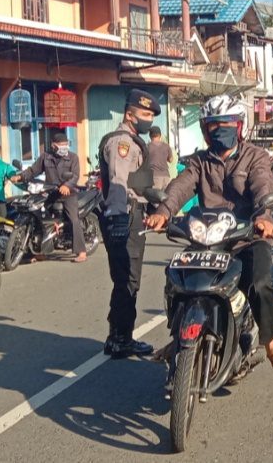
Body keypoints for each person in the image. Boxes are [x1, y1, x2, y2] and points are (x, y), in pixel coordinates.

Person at [145, 94, 273, 370]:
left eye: (226, 123)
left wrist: (263, 217)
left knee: (260, 282)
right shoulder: (199, 161)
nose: (219, 129)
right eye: (213, 125)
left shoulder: (255, 156)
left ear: (239, 126)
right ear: (205, 129)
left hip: (246, 236)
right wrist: (163, 212)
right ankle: (178, 337)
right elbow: (181, 186)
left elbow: (262, 185)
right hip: (207, 239)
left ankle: (270, 340)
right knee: (177, 277)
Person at [98, 88, 159, 359]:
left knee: (127, 278)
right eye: (144, 114)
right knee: (127, 280)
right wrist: (119, 218)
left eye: (151, 115)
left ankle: (119, 336)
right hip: (125, 215)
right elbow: (119, 182)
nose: (148, 120)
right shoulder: (122, 142)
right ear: (129, 115)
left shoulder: (134, 141)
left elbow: (139, 183)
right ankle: (121, 339)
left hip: (133, 213)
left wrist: (156, 207)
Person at [11, 133, 87, 262]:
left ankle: (81, 251)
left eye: (66, 144)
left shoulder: (73, 157)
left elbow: (75, 175)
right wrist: (20, 177)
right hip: (50, 192)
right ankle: (41, 251)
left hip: (68, 193)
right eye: (61, 145)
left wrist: (67, 185)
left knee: (74, 219)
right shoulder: (45, 157)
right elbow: (33, 171)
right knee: (40, 217)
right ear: (53, 145)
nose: (64, 147)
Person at [147, 126, 174, 191]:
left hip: (154, 177)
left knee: (154, 196)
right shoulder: (166, 146)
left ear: (150, 136)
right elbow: (171, 160)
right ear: (160, 135)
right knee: (166, 196)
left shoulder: (147, 147)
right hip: (166, 177)